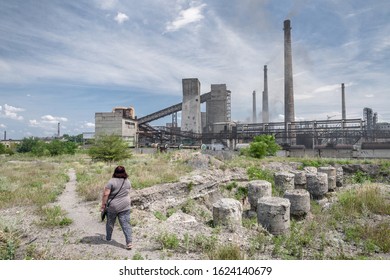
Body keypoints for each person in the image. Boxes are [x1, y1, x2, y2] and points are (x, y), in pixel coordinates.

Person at [101, 165, 132, 250]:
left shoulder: (111, 182)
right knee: (126, 224)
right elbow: (128, 191)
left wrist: (103, 205)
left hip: (113, 206)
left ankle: (108, 238)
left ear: (115, 172)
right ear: (124, 172)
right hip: (125, 205)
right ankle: (129, 243)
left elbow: (106, 194)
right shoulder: (127, 181)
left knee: (110, 222)